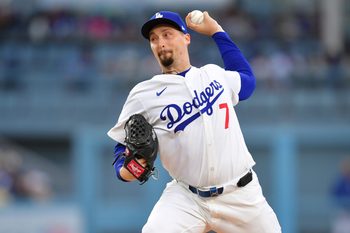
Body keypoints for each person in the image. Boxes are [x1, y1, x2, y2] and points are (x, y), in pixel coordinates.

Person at [107, 10, 281, 232]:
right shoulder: (144, 94)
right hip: (187, 198)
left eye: (167, 34)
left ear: (186, 38)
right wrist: (126, 170)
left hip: (241, 194)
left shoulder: (214, 75)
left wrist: (217, 31)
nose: (160, 42)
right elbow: (121, 148)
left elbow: (247, 82)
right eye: (154, 38)